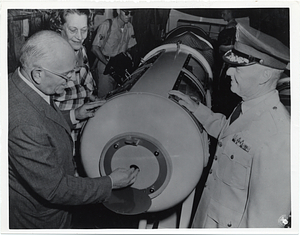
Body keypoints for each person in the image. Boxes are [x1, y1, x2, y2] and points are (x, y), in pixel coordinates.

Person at [8, 30, 139, 229]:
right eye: (66, 75)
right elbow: (55, 188)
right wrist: (110, 182)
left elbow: (42, 118)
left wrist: (74, 115)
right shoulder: (24, 124)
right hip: (41, 220)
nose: (70, 81)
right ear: (38, 74)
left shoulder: (21, 84)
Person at [169, 20, 290, 228]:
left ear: (264, 76)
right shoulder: (248, 107)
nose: (227, 73)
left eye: (238, 69)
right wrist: (197, 109)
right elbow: (230, 132)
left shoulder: (279, 137)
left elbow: (266, 223)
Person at [49, 9, 98, 170]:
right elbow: (40, 117)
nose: (79, 36)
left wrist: (93, 99)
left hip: (82, 134)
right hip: (59, 138)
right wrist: (75, 114)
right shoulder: (49, 58)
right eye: (73, 30)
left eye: (84, 30)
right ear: (59, 27)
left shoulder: (81, 50)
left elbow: (85, 87)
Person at [91, 9, 137, 98]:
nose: (129, 16)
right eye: (126, 12)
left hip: (119, 67)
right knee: (104, 99)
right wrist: (109, 65)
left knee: (116, 97)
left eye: (132, 13)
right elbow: (94, 48)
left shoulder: (129, 27)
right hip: (106, 66)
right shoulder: (107, 25)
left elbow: (131, 47)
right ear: (118, 11)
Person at [213, 9, 241, 118]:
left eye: (224, 13)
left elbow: (224, 47)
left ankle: (220, 112)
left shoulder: (229, 30)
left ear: (230, 12)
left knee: (222, 86)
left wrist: (220, 47)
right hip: (229, 63)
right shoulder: (237, 28)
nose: (221, 15)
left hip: (225, 63)